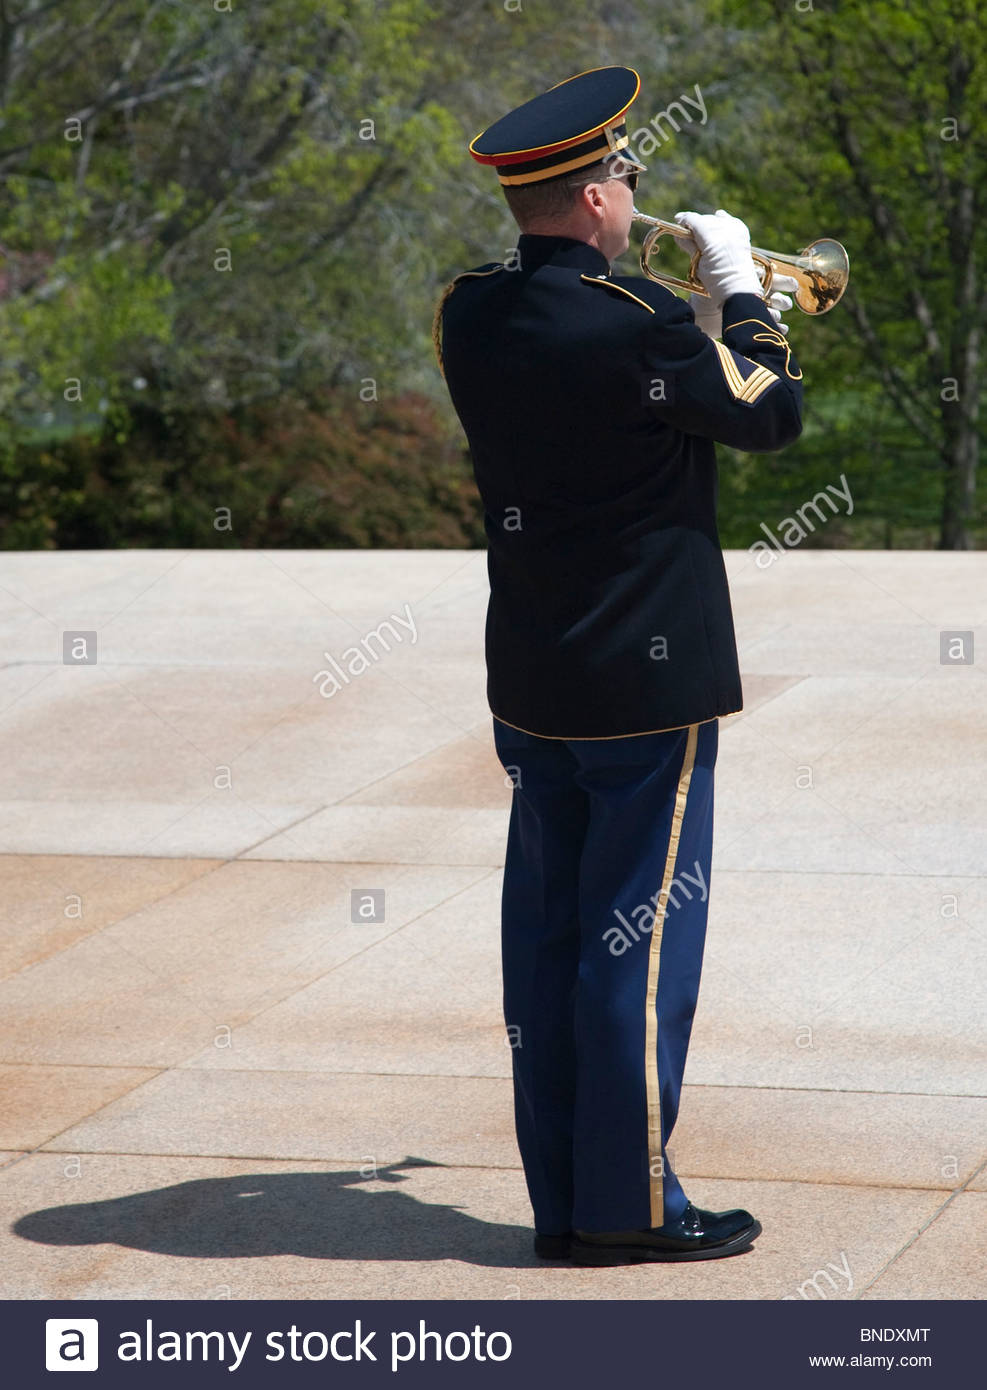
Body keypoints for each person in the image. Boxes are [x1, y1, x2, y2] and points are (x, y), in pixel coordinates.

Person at [432, 66, 803, 1266]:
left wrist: (680, 304)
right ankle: (629, 1210)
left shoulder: (468, 312)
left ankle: (571, 1202)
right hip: (646, 686)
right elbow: (767, 411)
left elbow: (610, 382)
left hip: (537, 680)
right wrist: (742, 290)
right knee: (633, 951)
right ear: (595, 194)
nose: (637, 191)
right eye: (628, 177)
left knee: (547, 945)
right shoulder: (642, 320)